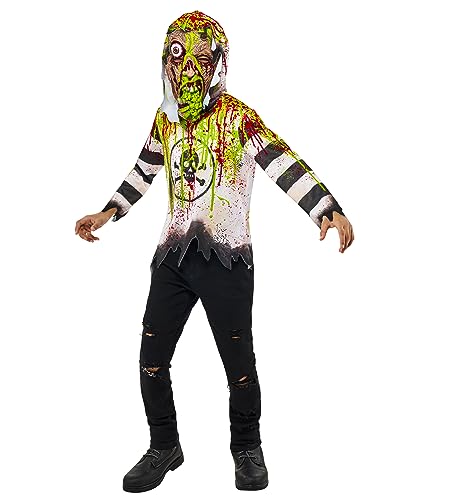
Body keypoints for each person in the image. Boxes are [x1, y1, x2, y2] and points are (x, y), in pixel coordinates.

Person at [75, 10, 354, 493]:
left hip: (227, 259)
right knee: (150, 357)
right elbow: (144, 169)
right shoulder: (165, 120)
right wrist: (108, 212)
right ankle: (164, 445)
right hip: (172, 259)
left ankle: (247, 447)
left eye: (202, 58)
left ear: (219, 62)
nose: (188, 69)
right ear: (164, 61)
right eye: (178, 55)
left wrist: (326, 207)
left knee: (238, 363)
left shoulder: (238, 118)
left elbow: (281, 162)